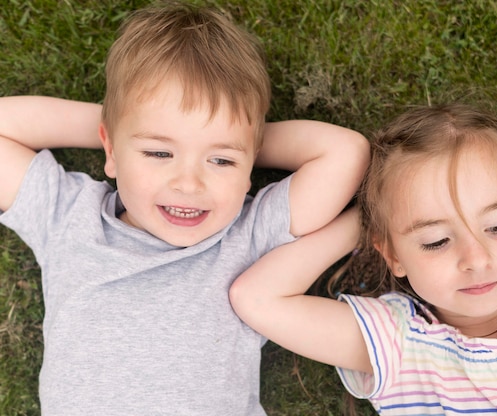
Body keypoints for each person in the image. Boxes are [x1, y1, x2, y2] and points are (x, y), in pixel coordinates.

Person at [0, 3, 370, 415]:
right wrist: (119, 125)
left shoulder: (245, 235)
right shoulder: (68, 218)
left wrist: (243, 143)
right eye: (159, 152)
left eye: (221, 162)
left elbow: (346, 154)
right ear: (111, 149)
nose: (189, 184)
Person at [230, 104, 497, 414]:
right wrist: (370, 219)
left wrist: (482, 148)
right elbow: (258, 298)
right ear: (393, 256)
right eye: (436, 241)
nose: (476, 259)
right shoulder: (399, 345)